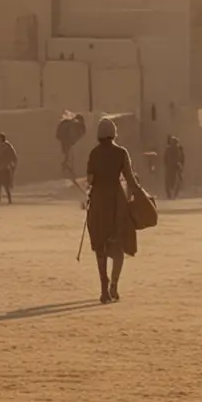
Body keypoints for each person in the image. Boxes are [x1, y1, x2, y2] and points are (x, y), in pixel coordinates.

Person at [85, 118, 139, 304]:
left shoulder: (93, 154)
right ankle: (114, 285)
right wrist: (136, 196)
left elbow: (90, 180)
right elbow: (130, 179)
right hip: (117, 203)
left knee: (100, 245)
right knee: (118, 247)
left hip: (99, 202)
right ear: (114, 133)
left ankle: (103, 289)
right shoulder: (122, 153)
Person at [0, 133, 18, 204]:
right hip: (1, 168)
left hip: (5, 168)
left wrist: (12, 164)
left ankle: (7, 200)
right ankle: (1, 200)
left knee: (5, 185)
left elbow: (13, 156)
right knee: (0, 185)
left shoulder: (7, 146)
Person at [164, 135, 186, 199]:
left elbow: (182, 158)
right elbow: (182, 158)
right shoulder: (169, 149)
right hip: (173, 167)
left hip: (175, 167)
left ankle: (172, 195)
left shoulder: (175, 149)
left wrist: (181, 165)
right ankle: (171, 195)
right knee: (171, 182)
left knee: (176, 181)